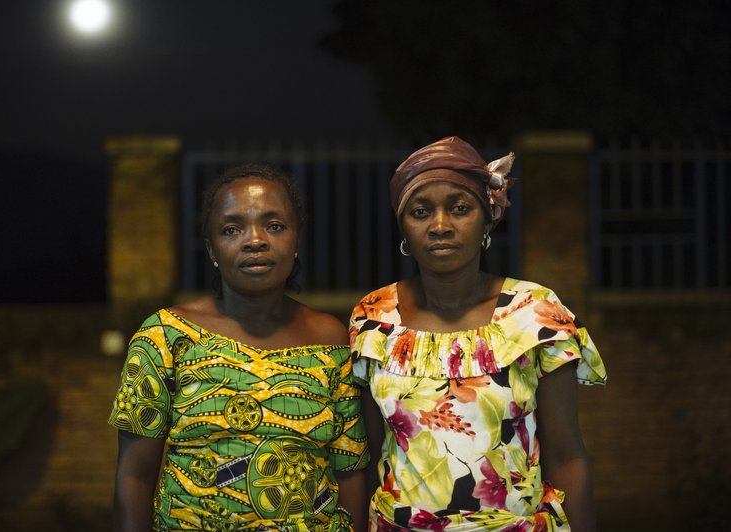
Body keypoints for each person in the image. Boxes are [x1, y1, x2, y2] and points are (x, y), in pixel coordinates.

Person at [349, 137, 607, 531]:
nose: (439, 226)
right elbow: (367, 454)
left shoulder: (534, 313)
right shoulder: (375, 317)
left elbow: (567, 457)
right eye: (421, 211)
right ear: (403, 226)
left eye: (459, 208)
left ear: (488, 218)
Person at [109, 164, 369, 531]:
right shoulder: (166, 336)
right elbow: (133, 476)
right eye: (232, 229)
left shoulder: (330, 338)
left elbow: (350, 469)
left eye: (274, 225)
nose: (255, 240)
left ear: (297, 239)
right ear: (212, 247)